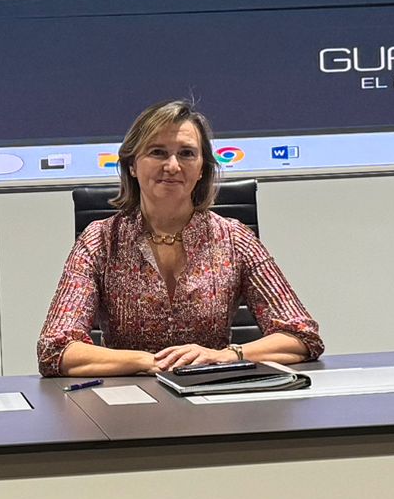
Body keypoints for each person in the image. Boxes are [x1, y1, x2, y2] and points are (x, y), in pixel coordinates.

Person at [38, 100, 322, 377]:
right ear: (132, 165)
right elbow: (55, 349)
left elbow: (302, 336)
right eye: (158, 152)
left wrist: (226, 355)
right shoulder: (99, 240)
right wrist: (148, 361)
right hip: (130, 397)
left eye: (186, 154)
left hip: (215, 393)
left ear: (201, 169)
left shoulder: (235, 239)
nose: (172, 166)